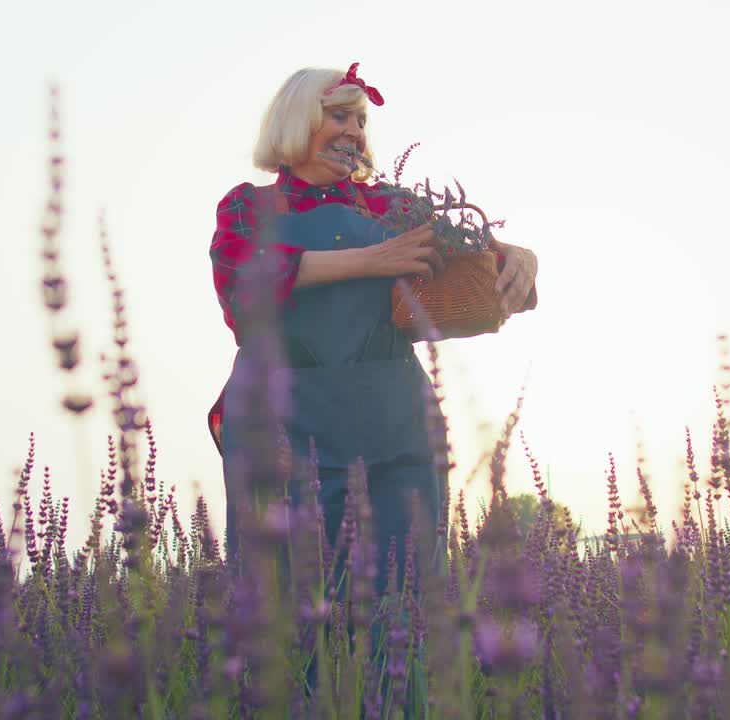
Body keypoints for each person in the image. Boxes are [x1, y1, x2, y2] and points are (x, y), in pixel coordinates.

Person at [206, 62, 538, 597]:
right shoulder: (249, 205)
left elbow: (475, 261)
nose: (355, 132)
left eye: (361, 121)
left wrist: (519, 258)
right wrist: (372, 258)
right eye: (339, 116)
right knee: (282, 611)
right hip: (283, 423)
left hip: (393, 424)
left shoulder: (392, 206)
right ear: (297, 121)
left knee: (402, 604)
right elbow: (242, 284)